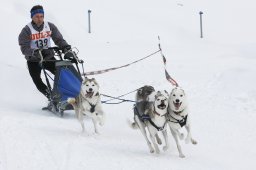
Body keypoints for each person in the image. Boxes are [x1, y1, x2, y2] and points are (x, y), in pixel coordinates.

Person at [18, 5, 71, 100]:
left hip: (48, 57)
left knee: (61, 76)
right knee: (37, 81)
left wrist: (66, 48)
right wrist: (34, 52)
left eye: (41, 16)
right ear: (32, 17)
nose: (39, 19)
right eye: (37, 16)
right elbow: (24, 48)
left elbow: (59, 40)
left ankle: (62, 95)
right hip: (33, 60)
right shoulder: (26, 30)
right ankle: (51, 97)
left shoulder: (49, 26)